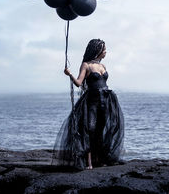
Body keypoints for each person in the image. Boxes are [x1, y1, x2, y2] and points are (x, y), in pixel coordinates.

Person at [51, 39, 124, 170]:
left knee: (101, 129)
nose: (106, 51)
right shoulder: (86, 65)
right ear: (97, 50)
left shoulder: (103, 66)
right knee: (89, 129)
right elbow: (79, 83)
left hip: (107, 99)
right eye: (104, 49)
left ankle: (99, 160)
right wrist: (70, 74)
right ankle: (89, 163)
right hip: (92, 100)